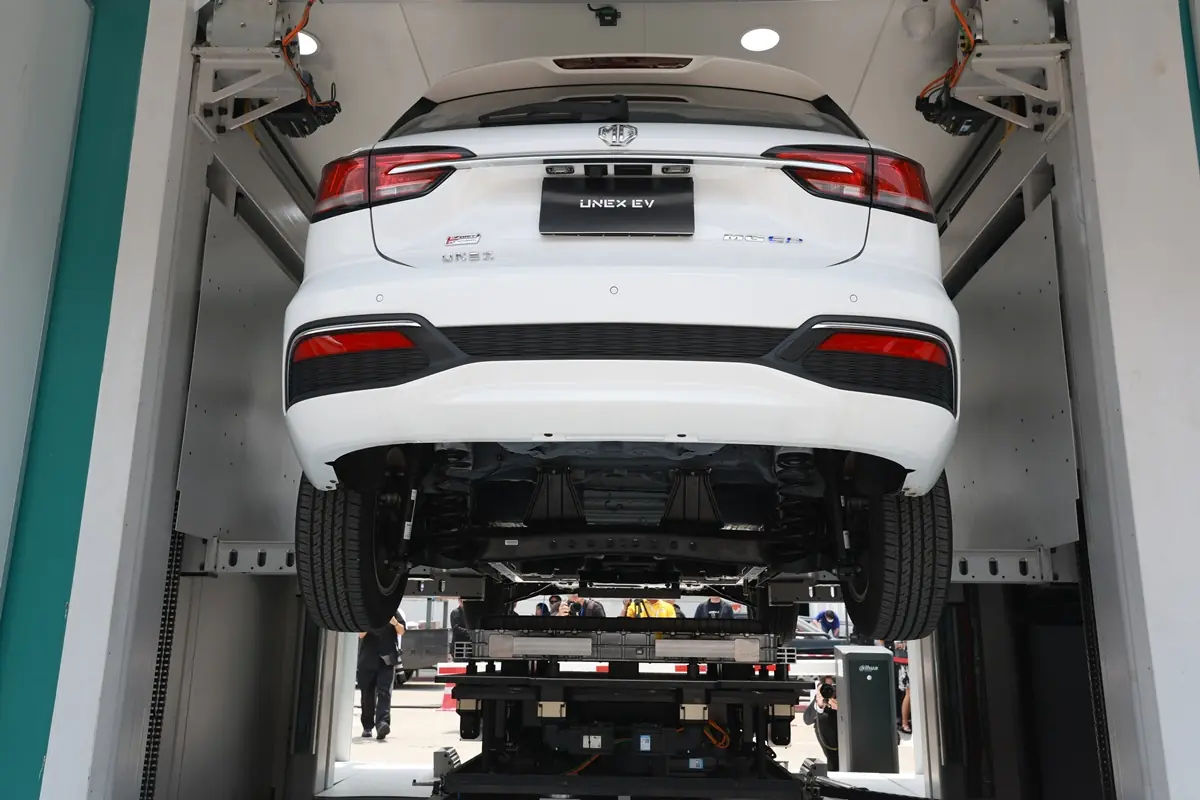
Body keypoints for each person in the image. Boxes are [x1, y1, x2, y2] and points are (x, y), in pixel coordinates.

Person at [357, 611, 406, 741]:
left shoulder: (392, 611)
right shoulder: (365, 612)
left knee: (384, 693)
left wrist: (394, 623)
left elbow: (402, 631)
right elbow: (360, 634)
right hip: (367, 659)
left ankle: (382, 724)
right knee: (367, 694)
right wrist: (369, 623)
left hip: (387, 660)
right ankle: (367, 726)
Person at [802, 676, 839, 770]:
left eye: (832, 687)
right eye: (826, 687)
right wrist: (819, 705)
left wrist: (841, 708)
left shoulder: (844, 696)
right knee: (822, 718)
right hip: (830, 745)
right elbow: (807, 719)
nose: (830, 690)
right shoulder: (822, 696)